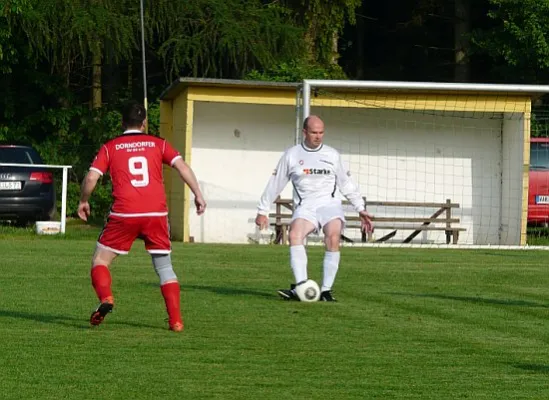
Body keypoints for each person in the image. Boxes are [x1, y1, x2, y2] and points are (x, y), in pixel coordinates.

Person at [77, 102, 206, 332]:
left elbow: (91, 178)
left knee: (100, 260)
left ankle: (106, 297)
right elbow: (182, 167)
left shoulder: (111, 147)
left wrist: (84, 201)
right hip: (155, 213)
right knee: (164, 267)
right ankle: (175, 320)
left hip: (125, 213)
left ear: (122, 122)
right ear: (144, 122)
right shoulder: (159, 144)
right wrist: (197, 194)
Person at [255, 115, 373, 302]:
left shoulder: (332, 155)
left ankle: (326, 291)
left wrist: (360, 208)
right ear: (304, 132)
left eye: (321, 132)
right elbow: (275, 183)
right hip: (306, 206)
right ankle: (302, 287)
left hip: (330, 204)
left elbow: (346, 183)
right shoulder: (292, 155)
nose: (318, 136)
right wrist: (263, 210)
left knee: (333, 237)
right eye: (313, 132)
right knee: (294, 235)